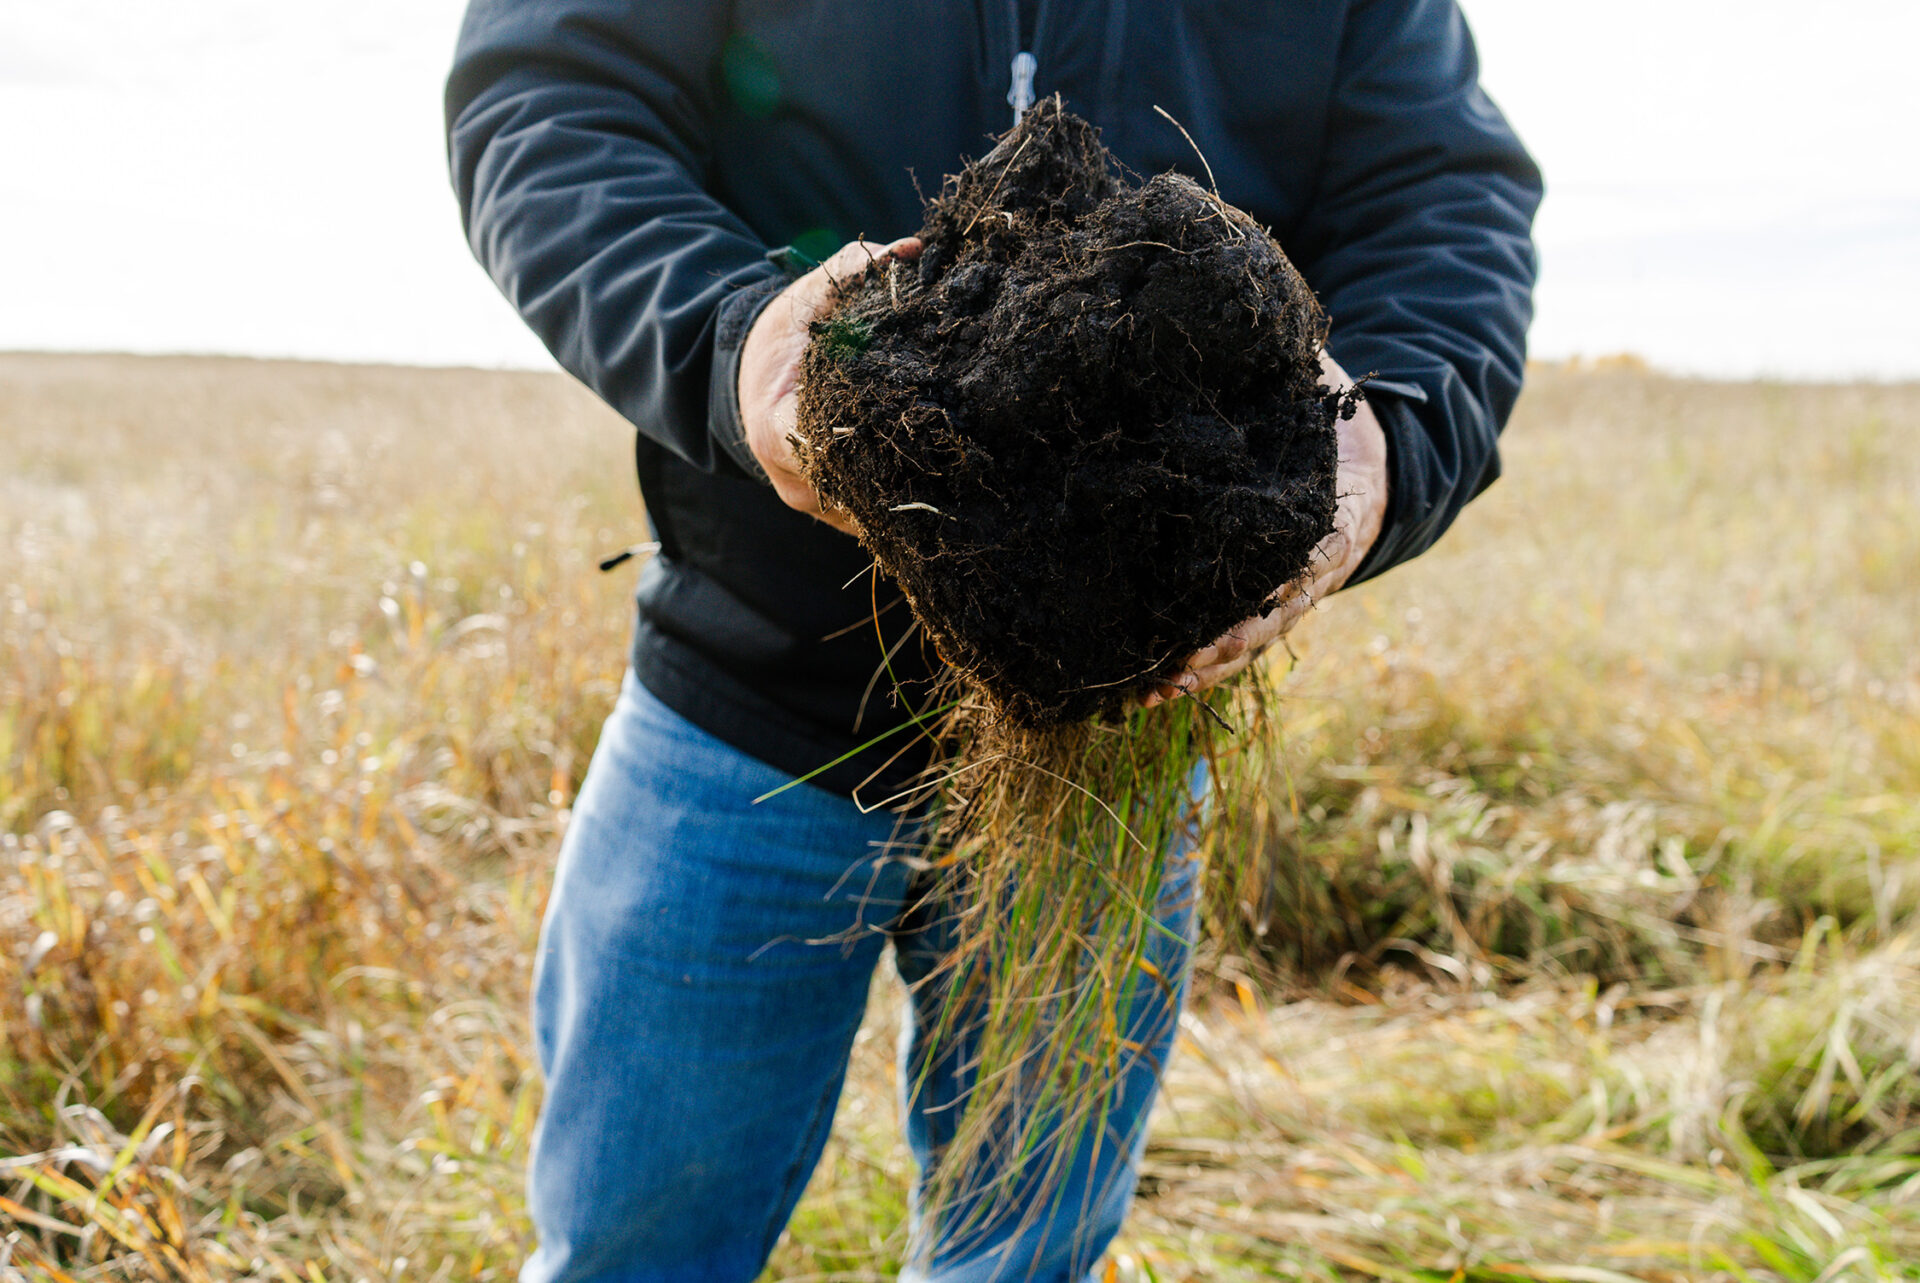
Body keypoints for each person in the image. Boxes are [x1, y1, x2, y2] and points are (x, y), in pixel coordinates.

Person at [445, 2, 1541, 1279]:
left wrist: (1387, 446)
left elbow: (1443, 204)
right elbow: (553, 103)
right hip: (742, 706)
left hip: (1116, 742)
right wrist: (733, 336)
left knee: (1023, 1255)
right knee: (631, 1247)